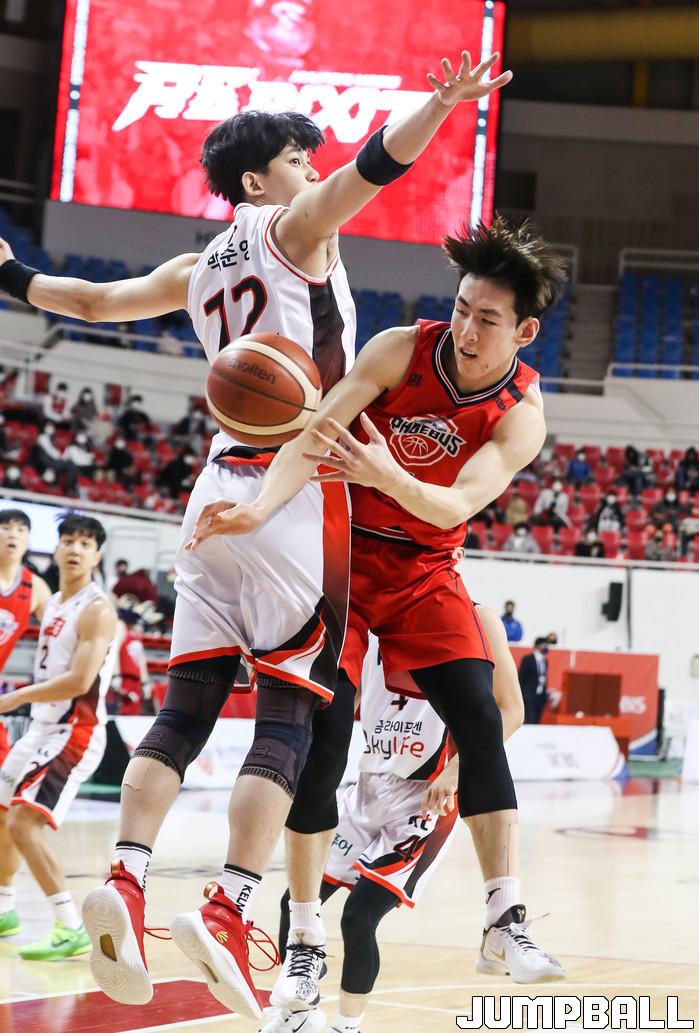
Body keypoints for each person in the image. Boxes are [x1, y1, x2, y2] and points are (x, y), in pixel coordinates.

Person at [0, 49, 512, 1018]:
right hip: (292, 492)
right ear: (255, 182)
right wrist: (439, 106)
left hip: (212, 493)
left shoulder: (196, 268)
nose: (312, 172)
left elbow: (92, 301)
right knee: (288, 716)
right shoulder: (294, 228)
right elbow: (375, 167)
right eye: (296, 160)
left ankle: (128, 876)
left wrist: (12, 273)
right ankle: (231, 905)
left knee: (185, 706)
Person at [191, 217, 567, 991]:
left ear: (523, 331)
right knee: (324, 742)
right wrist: (259, 507)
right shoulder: (400, 348)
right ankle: (302, 934)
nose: (466, 329)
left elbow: (454, 503)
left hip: (424, 568)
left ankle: (503, 920)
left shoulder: (521, 413)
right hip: (341, 557)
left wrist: (384, 472)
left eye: (487, 319)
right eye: (460, 307)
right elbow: (314, 433)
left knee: (479, 718)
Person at [262, 597, 524, 1033]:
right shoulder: (365, 617)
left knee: (359, 917)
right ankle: (298, 1014)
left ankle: (347, 1026)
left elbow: (510, 710)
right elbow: (348, 697)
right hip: (368, 784)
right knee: (296, 901)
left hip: (426, 797)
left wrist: (456, 770)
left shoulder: (468, 619)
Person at [0, 514, 117, 957]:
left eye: (85, 543)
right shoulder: (52, 602)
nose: (75, 549)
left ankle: (71, 927)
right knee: (2, 812)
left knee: (23, 823)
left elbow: (79, 681)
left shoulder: (97, 609)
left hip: (75, 731)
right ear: (55, 549)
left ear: (97, 556)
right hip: (41, 728)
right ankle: (5, 908)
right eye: (68, 540)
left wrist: (15, 697)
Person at [0, 510, 51, 764]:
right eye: (6, 528)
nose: (13, 534)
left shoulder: (36, 587)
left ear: (28, 540)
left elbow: (61, 628)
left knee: (4, 769)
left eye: (20, 530)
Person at [518, 638, 549, 725]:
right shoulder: (528, 659)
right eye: (543, 645)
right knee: (531, 720)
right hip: (529, 695)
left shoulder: (545, 661)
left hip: (540, 695)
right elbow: (521, 677)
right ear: (537, 646)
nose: (546, 647)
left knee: (537, 721)